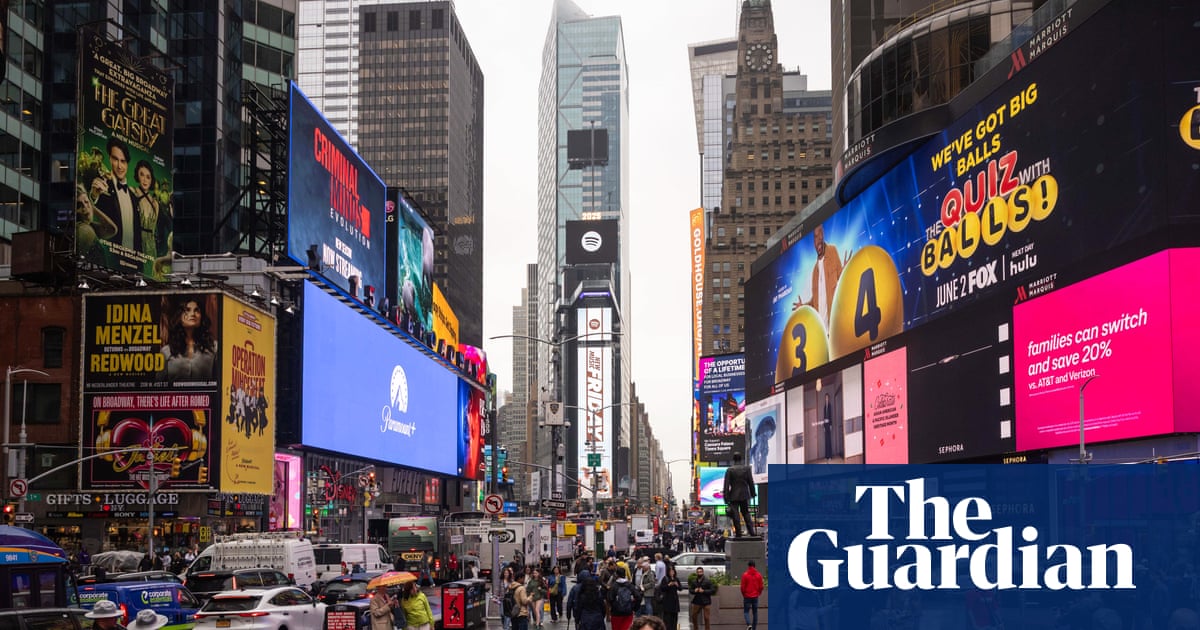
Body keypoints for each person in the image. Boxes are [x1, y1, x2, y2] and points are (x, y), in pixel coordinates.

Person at [90, 138, 140, 254]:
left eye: (123, 161)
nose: (119, 166)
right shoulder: (102, 185)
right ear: (109, 159)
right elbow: (91, 215)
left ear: (127, 164)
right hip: (109, 256)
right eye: (115, 159)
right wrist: (93, 196)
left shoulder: (134, 197)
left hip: (133, 260)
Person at [158, 297, 217, 382]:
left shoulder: (214, 348)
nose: (192, 314)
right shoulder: (166, 351)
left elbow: (219, 380)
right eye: (187, 310)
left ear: (201, 317)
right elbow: (158, 385)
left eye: (197, 310)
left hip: (205, 395)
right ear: (179, 316)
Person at [800, 223, 846, 327]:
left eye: (820, 233)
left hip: (835, 325)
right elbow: (815, 301)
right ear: (813, 243)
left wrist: (846, 269)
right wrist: (803, 306)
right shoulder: (814, 272)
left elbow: (842, 279)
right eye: (815, 236)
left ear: (823, 234)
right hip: (822, 333)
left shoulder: (832, 251)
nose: (819, 238)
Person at [131, 160, 161, 261]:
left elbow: (154, 227)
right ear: (137, 176)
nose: (145, 180)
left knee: (150, 273)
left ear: (151, 180)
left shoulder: (155, 203)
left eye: (148, 177)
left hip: (150, 245)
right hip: (135, 240)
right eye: (142, 175)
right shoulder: (132, 191)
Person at [723, 453, 757, 537]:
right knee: (746, 513)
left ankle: (738, 533)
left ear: (733, 459)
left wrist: (726, 497)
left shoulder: (730, 470)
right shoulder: (747, 469)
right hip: (744, 494)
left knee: (735, 514)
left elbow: (726, 485)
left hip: (733, 495)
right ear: (741, 459)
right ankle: (752, 532)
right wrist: (753, 493)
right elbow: (751, 482)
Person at [607, 565, 641, 630]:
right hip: (628, 611)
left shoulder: (614, 586)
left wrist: (614, 606)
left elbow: (610, 598)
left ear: (616, 575)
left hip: (616, 612)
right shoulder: (630, 585)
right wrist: (634, 607)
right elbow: (638, 597)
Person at [741, 560, 765, 630]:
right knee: (755, 613)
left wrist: (744, 594)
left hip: (747, 596)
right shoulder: (759, 575)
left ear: (748, 566)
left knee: (746, 612)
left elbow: (742, 587)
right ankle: (754, 628)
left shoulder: (745, 575)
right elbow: (761, 587)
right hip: (755, 596)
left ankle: (749, 625)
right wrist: (758, 593)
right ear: (754, 566)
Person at [822, 393, 836, 461]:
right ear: (825, 399)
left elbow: (831, 416)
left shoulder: (830, 406)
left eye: (827, 398)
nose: (826, 399)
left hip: (829, 425)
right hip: (825, 425)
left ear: (829, 398)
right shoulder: (824, 407)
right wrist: (824, 427)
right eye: (825, 398)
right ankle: (826, 456)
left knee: (829, 441)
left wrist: (831, 425)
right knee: (826, 441)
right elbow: (824, 417)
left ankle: (830, 456)